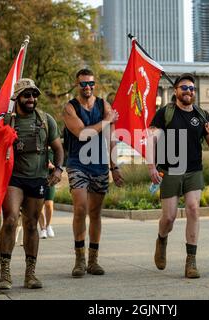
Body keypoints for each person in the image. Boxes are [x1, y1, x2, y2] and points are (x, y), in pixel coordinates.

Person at [147, 73, 209, 278]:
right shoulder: (165, 114)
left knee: (193, 209)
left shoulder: (202, 114)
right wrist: (151, 167)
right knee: (169, 217)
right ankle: (162, 239)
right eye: (184, 88)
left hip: (194, 170)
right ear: (175, 91)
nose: (188, 91)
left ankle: (191, 262)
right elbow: (151, 140)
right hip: (169, 170)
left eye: (191, 88)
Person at [0, 78, 64, 290]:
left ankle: (30, 274)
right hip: (13, 179)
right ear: (17, 97)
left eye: (34, 95)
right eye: (26, 95)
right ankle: (5, 273)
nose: (31, 99)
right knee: (10, 219)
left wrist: (59, 169)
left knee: (31, 225)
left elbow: (59, 149)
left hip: (38, 178)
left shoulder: (46, 120)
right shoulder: (6, 120)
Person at [63, 68, 123, 278]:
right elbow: (82, 133)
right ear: (76, 85)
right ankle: (79, 260)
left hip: (99, 165)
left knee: (95, 213)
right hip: (77, 163)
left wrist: (114, 167)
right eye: (83, 84)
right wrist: (107, 120)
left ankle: (93, 260)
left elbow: (111, 138)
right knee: (80, 208)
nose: (87, 87)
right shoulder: (70, 108)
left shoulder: (103, 105)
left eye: (91, 84)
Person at [39, 149, 56, 239]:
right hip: (38, 179)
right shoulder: (38, 147)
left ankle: (48, 225)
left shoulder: (53, 150)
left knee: (49, 204)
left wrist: (52, 167)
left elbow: (59, 167)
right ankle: (43, 229)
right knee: (39, 205)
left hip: (50, 181)